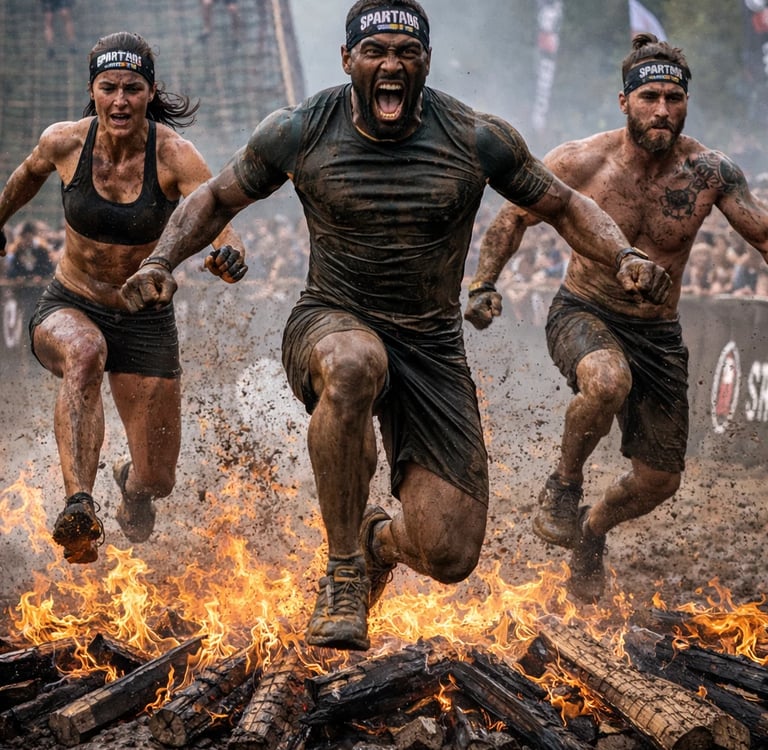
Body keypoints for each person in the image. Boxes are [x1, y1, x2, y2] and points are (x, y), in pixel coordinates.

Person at [121, 1, 670, 651]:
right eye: (376, 51)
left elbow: (565, 204)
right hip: (332, 320)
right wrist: (160, 259)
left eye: (406, 53)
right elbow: (214, 199)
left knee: (449, 553)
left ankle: (374, 540)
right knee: (356, 365)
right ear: (349, 60)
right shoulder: (299, 130)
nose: (391, 65)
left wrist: (625, 255)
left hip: (432, 346)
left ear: (425, 63)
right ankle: (342, 573)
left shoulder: (475, 136)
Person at [465, 33, 768, 603]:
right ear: (624, 101)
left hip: (658, 331)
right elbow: (511, 219)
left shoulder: (710, 172)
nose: (662, 110)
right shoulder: (580, 161)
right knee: (607, 380)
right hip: (584, 310)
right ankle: (563, 484)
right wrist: (483, 283)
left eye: (674, 99)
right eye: (650, 96)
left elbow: (763, 233)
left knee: (659, 481)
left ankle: (590, 530)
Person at [0, 31, 247, 565]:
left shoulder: (175, 155)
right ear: (92, 91)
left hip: (144, 318)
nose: (119, 100)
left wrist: (228, 252)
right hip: (70, 302)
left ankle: (129, 488)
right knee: (85, 352)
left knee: (158, 478)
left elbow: (218, 211)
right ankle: (79, 506)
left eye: (132, 88)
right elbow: (25, 176)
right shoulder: (65, 142)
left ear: (149, 92)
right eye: (108, 87)